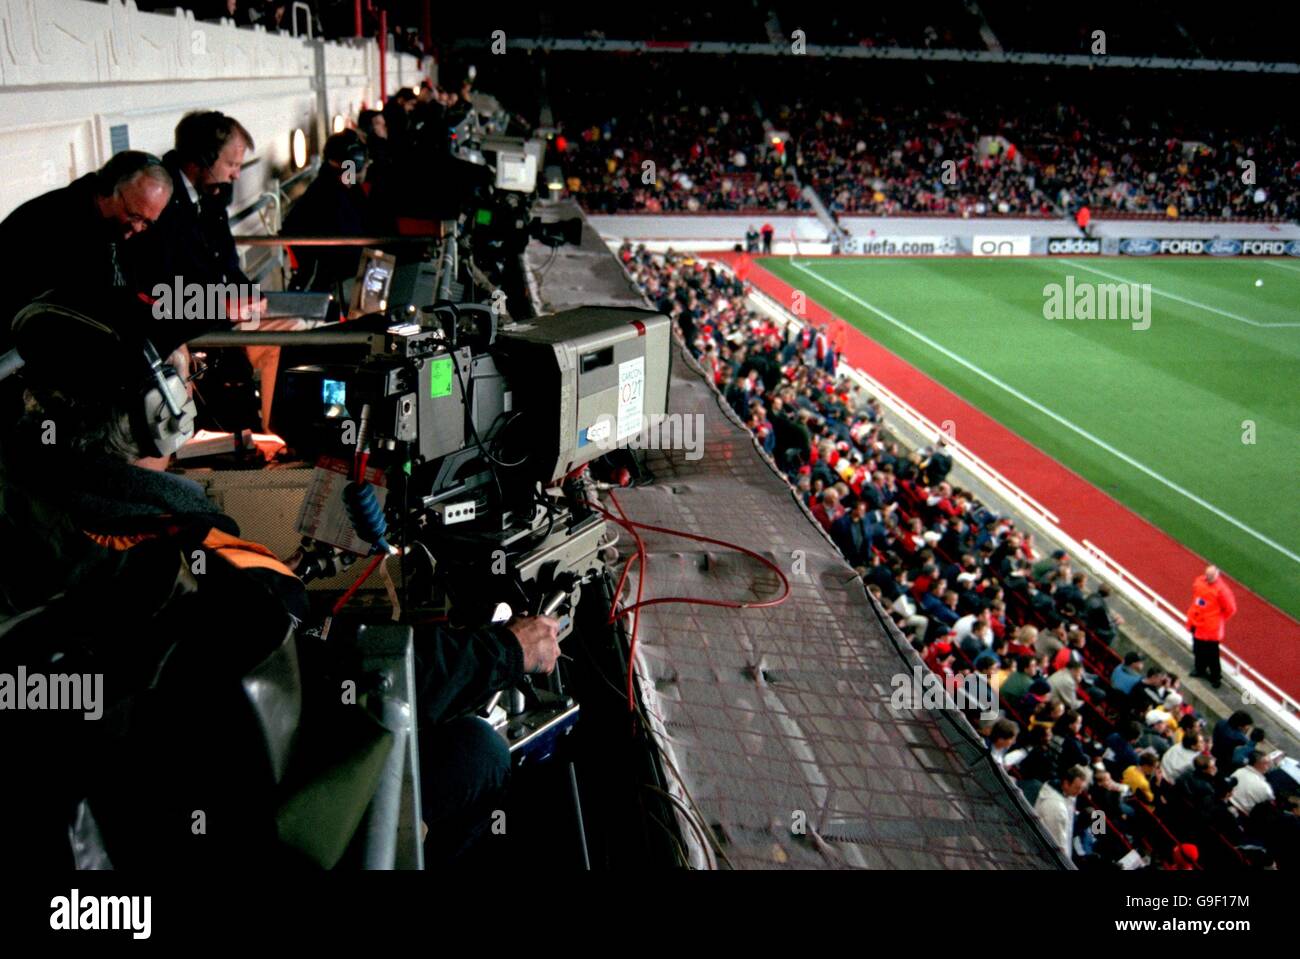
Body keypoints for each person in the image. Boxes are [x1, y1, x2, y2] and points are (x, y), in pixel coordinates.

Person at [1, 289, 562, 867]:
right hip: (224, 822)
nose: (191, 387)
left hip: (111, 810)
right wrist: (506, 649)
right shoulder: (207, 574)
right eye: (185, 374)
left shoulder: (33, 515)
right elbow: (365, 686)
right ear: (157, 411)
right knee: (478, 751)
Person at [0, 151, 172, 348]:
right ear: (108, 190)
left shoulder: (119, 226)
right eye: (133, 216)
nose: (137, 228)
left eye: (147, 222)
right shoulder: (52, 224)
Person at [283, 132, 372, 293]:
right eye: (364, 160)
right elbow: (349, 253)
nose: (367, 165)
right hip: (333, 286)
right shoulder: (329, 197)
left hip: (341, 277)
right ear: (354, 163)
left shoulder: (346, 188)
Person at [1186, 564, 1236, 688]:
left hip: (1210, 629)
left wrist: (1217, 618)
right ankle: (1200, 669)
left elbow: (1230, 608)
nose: (1208, 578)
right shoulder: (1199, 582)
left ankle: (1215, 677)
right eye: (1207, 575)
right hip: (1197, 623)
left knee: (1212, 655)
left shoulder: (1222, 590)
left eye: (1211, 576)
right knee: (1197, 649)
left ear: (1217, 575)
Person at [1034, 765, 1090, 859]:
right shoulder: (1056, 807)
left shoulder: (1067, 795)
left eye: (1081, 789)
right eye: (1077, 788)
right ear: (1066, 783)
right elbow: (1058, 845)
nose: (1080, 792)